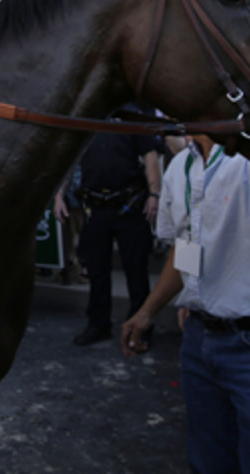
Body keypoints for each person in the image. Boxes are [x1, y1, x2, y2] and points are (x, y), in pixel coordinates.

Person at [121, 134, 250, 474]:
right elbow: (187, 250)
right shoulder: (180, 167)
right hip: (199, 343)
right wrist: (147, 311)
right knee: (209, 463)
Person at [55, 113, 162, 347]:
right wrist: (59, 195)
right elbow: (70, 159)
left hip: (129, 206)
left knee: (136, 269)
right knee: (96, 270)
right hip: (95, 208)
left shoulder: (131, 116)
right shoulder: (87, 119)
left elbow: (150, 156)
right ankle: (98, 324)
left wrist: (154, 194)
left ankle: (140, 326)